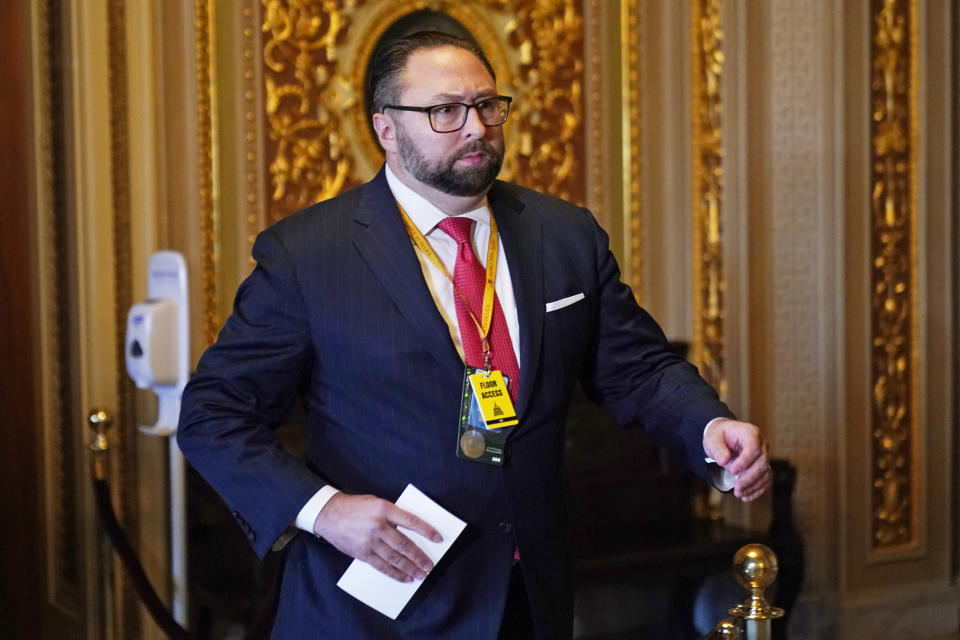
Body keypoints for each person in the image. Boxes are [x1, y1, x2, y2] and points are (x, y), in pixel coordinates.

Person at [177, 30, 771, 640]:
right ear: (386, 129)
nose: (476, 127)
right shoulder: (308, 254)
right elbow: (214, 414)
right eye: (444, 111)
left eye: (488, 105)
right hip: (374, 609)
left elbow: (639, 369)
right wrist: (326, 511)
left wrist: (708, 427)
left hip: (527, 595)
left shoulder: (566, 235)